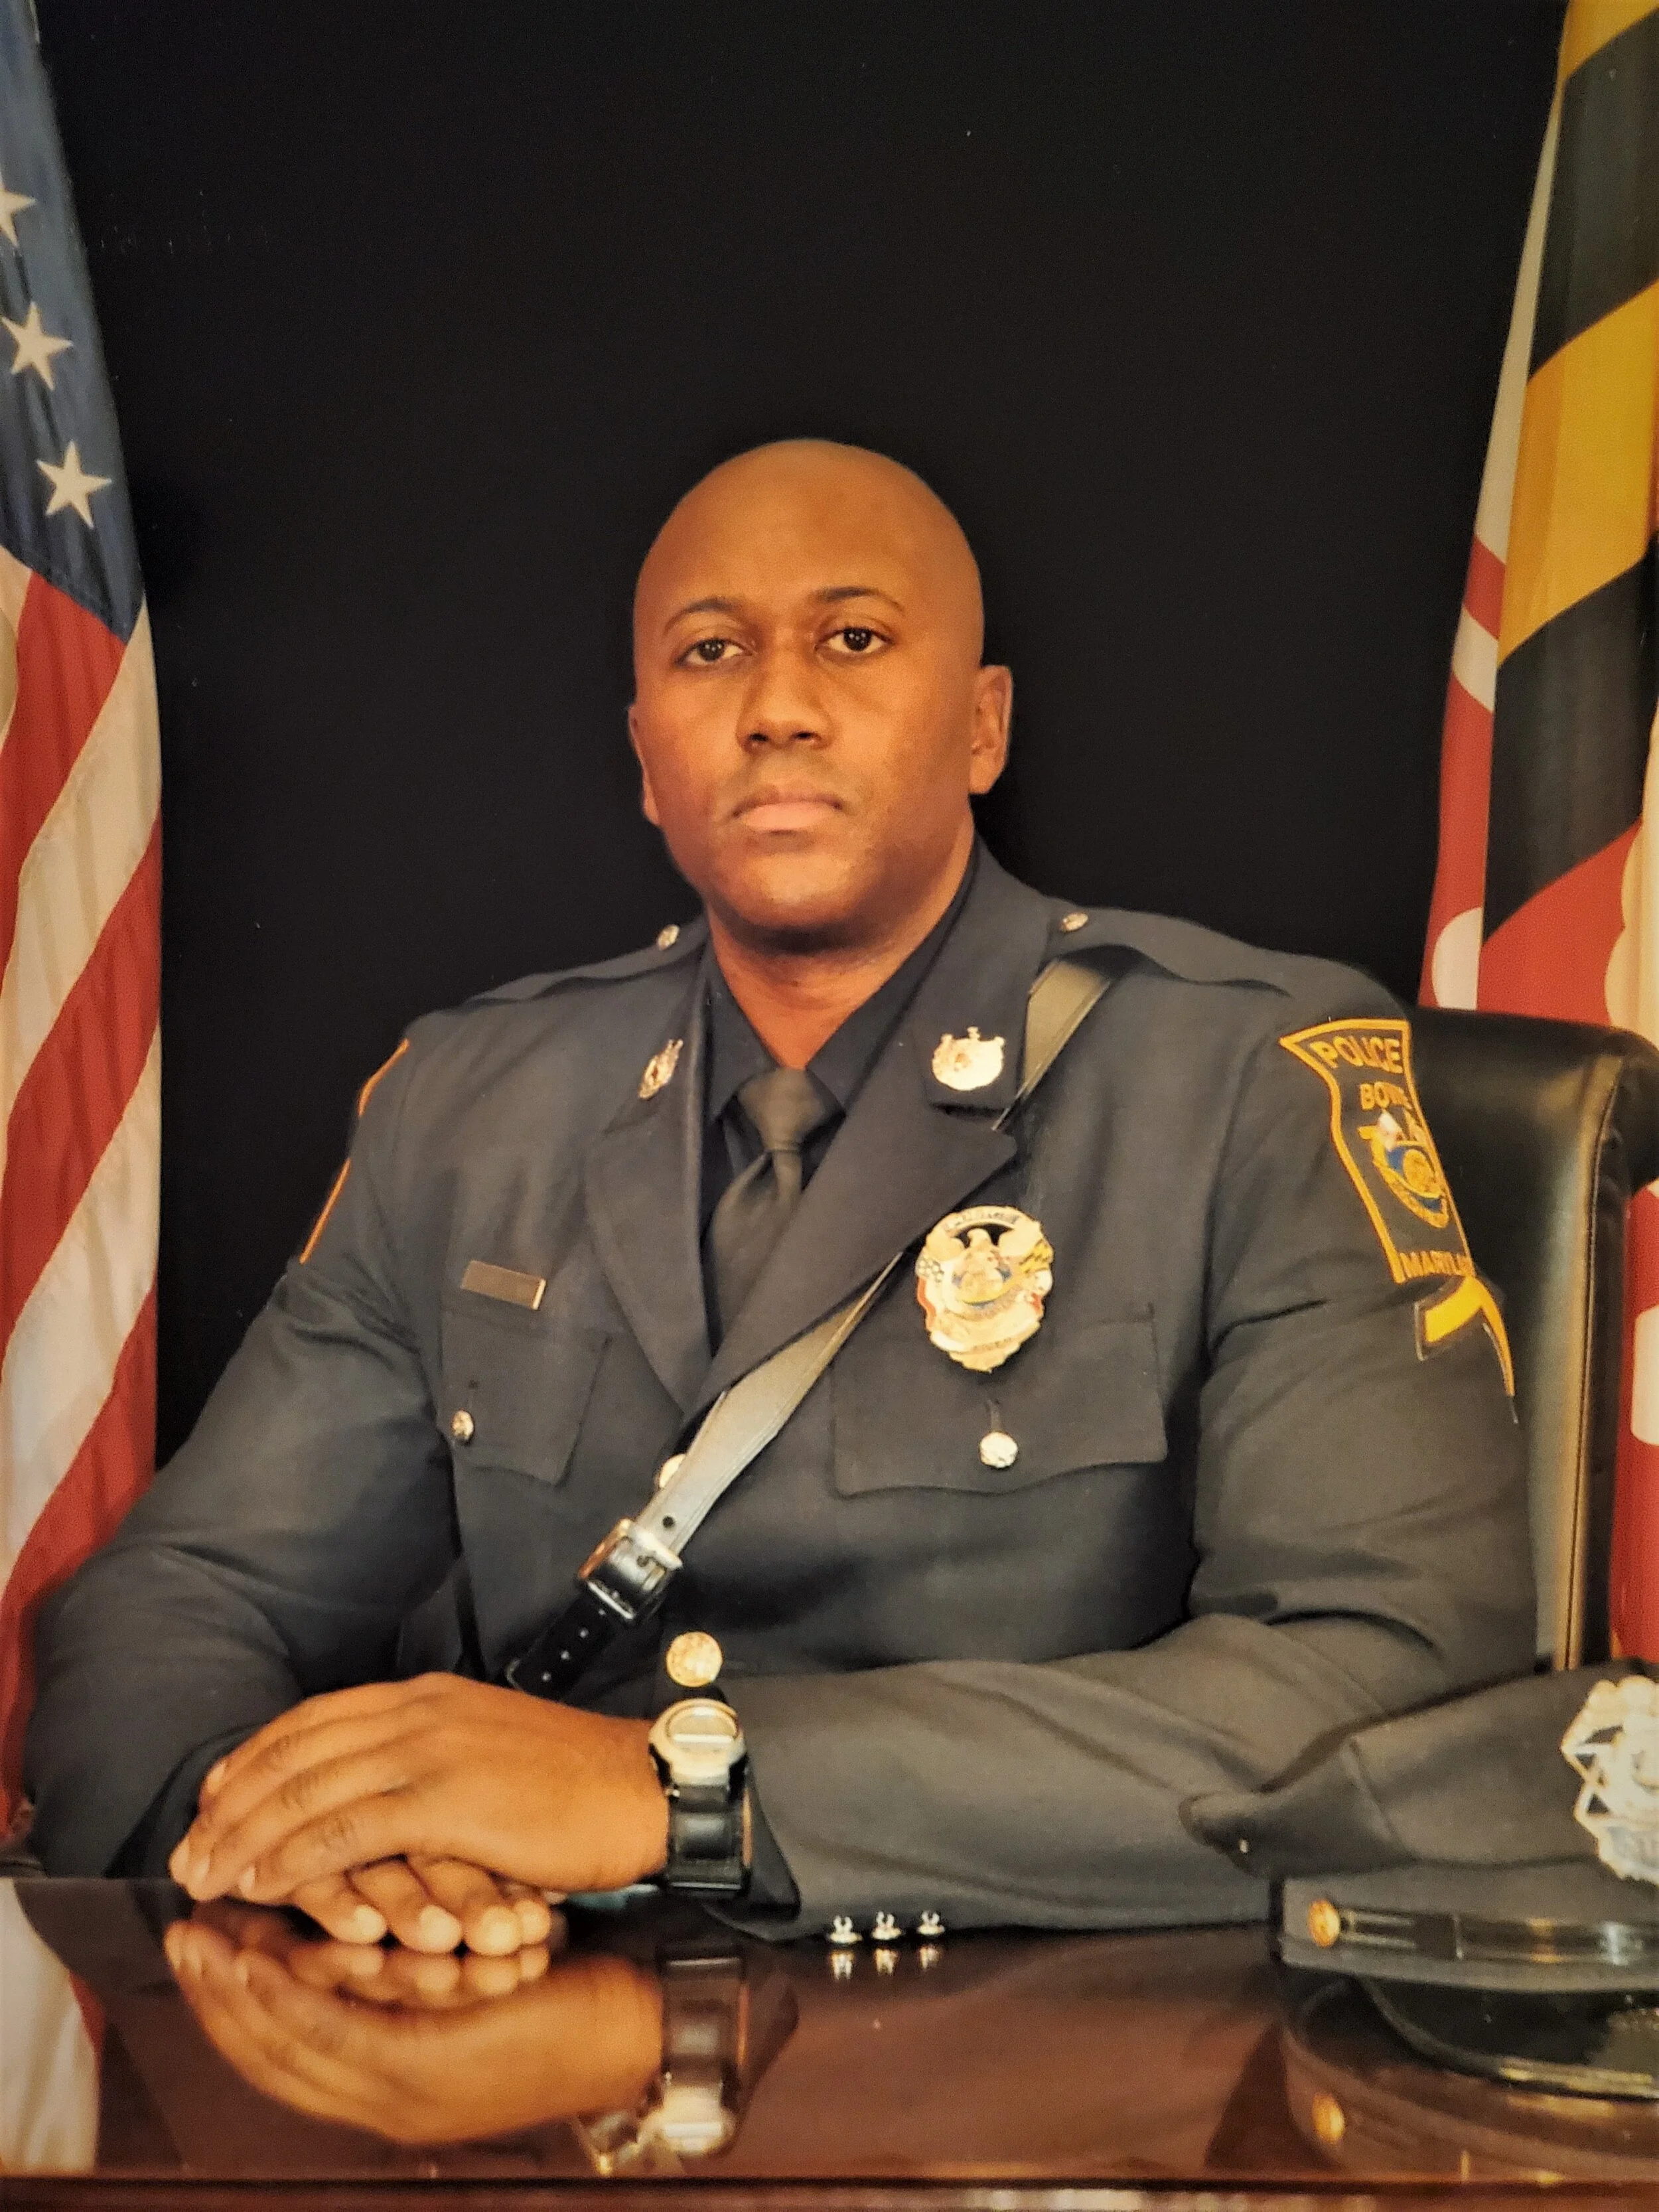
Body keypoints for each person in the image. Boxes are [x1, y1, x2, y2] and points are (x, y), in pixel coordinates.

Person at [26, 439, 1533, 1949]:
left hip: (1039, 2080)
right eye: (709, 653)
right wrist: (304, 1830)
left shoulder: (1240, 1075)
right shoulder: (469, 1102)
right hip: (519, 2065)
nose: (777, 707)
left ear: (983, 726)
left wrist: (688, 1796)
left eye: (854, 639)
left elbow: (1382, 1680)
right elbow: (177, 1600)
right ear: (642, 753)